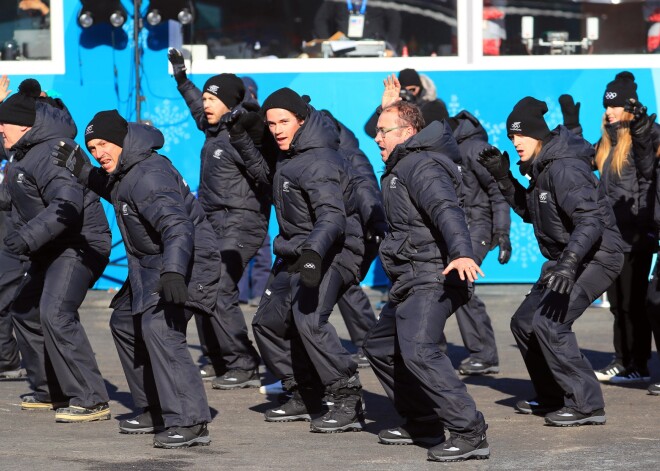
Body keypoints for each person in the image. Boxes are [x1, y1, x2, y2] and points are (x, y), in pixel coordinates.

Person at [52, 110, 220, 448]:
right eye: (92, 147)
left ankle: (190, 421)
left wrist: (174, 272)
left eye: (103, 144)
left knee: (161, 330)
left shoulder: (148, 174)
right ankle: (154, 406)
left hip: (186, 263)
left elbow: (176, 226)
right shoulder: (129, 169)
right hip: (152, 264)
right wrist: (86, 173)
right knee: (125, 323)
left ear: (122, 140)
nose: (98, 153)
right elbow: (121, 193)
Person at [478, 96, 624, 426]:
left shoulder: (565, 168)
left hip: (597, 256)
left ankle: (587, 404)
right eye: (510, 136)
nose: (514, 142)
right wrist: (504, 180)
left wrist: (570, 264)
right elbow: (534, 214)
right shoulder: (541, 168)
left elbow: (590, 221)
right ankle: (553, 395)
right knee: (525, 323)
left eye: (520, 135)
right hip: (568, 257)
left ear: (538, 135)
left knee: (551, 324)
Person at [229, 87, 367, 433]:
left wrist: (312, 253)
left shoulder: (320, 159)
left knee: (310, 321)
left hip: (331, 251)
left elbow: (333, 218)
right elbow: (268, 179)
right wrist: (241, 137)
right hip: (296, 250)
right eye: (271, 122)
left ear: (301, 121)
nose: (275, 129)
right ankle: (305, 392)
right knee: (267, 323)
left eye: (283, 122)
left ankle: (347, 396)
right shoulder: (290, 155)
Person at [362, 96, 489, 461]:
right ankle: (422, 421)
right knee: (382, 348)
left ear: (409, 132)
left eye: (384, 132)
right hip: (410, 276)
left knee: (420, 349)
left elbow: (445, 208)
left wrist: (462, 251)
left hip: (434, 274)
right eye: (377, 132)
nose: (377, 138)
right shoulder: (403, 165)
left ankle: (469, 431)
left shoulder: (421, 164)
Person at [0, 78, 111, 422]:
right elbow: (10, 199)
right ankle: (51, 389)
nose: (0, 131)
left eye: (2, 125)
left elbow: (67, 204)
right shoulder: (23, 154)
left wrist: (28, 237)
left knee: (55, 311)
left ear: (23, 126)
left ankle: (91, 398)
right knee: (24, 309)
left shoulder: (52, 152)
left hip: (80, 243)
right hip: (51, 246)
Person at [168, 49, 267, 388]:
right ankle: (217, 358)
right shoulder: (212, 127)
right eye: (206, 97)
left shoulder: (244, 133)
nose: (206, 103)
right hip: (213, 221)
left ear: (230, 105)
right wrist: (182, 79)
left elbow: (263, 173)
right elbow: (198, 104)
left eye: (213, 99)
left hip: (242, 223)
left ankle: (244, 362)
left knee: (221, 285)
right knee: (200, 286)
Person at [589, 72, 657, 384]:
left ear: (629, 108)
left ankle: (639, 364)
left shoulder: (646, 134)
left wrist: (642, 130)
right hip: (612, 237)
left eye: (614, 105)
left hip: (636, 234)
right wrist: (572, 127)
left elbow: (648, 171)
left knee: (634, 303)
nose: (609, 111)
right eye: (606, 105)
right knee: (617, 304)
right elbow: (576, 158)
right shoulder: (607, 141)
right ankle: (622, 360)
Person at [445, 110, 512, 375]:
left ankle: (484, 354)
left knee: (461, 281)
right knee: (448, 283)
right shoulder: (448, 149)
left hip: (477, 227)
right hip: (459, 229)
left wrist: (503, 233)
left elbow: (499, 193)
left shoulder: (475, 148)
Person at [321, 109, 385, 368]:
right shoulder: (330, 153)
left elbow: (366, 188)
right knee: (345, 287)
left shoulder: (349, 155)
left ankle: (371, 343)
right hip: (346, 229)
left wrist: (373, 221)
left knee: (346, 287)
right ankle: (371, 342)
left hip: (360, 230)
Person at [364, 70, 448, 139]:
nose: (408, 94)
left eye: (412, 90)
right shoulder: (396, 108)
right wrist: (386, 107)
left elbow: (425, 134)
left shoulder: (434, 106)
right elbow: (371, 130)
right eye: (404, 90)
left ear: (421, 88)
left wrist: (411, 107)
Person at [313, 0, 401, 51]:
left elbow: (395, 19)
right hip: (343, 48)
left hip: (375, 47)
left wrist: (391, 46)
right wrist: (328, 44)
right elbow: (320, 19)